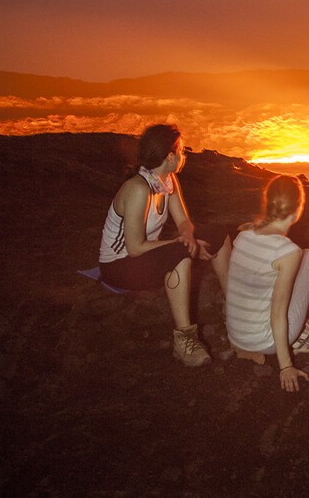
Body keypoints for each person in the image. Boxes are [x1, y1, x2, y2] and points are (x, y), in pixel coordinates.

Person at [98, 123, 232, 367]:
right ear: (169, 157)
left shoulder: (168, 181)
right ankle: (185, 340)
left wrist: (188, 237)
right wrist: (181, 243)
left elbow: (183, 222)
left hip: (143, 255)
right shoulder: (138, 189)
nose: (184, 155)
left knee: (217, 233)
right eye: (181, 150)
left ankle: (233, 306)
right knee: (180, 252)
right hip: (119, 266)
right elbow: (135, 247)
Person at [226, 175, 309, 392]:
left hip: (236, 335)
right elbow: (278, 313)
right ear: (298, 209)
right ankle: (296, 339)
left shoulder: (243, 235)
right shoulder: (288, 252)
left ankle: (299, 328)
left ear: (267, 201)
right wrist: (286, 366)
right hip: (264, 341)